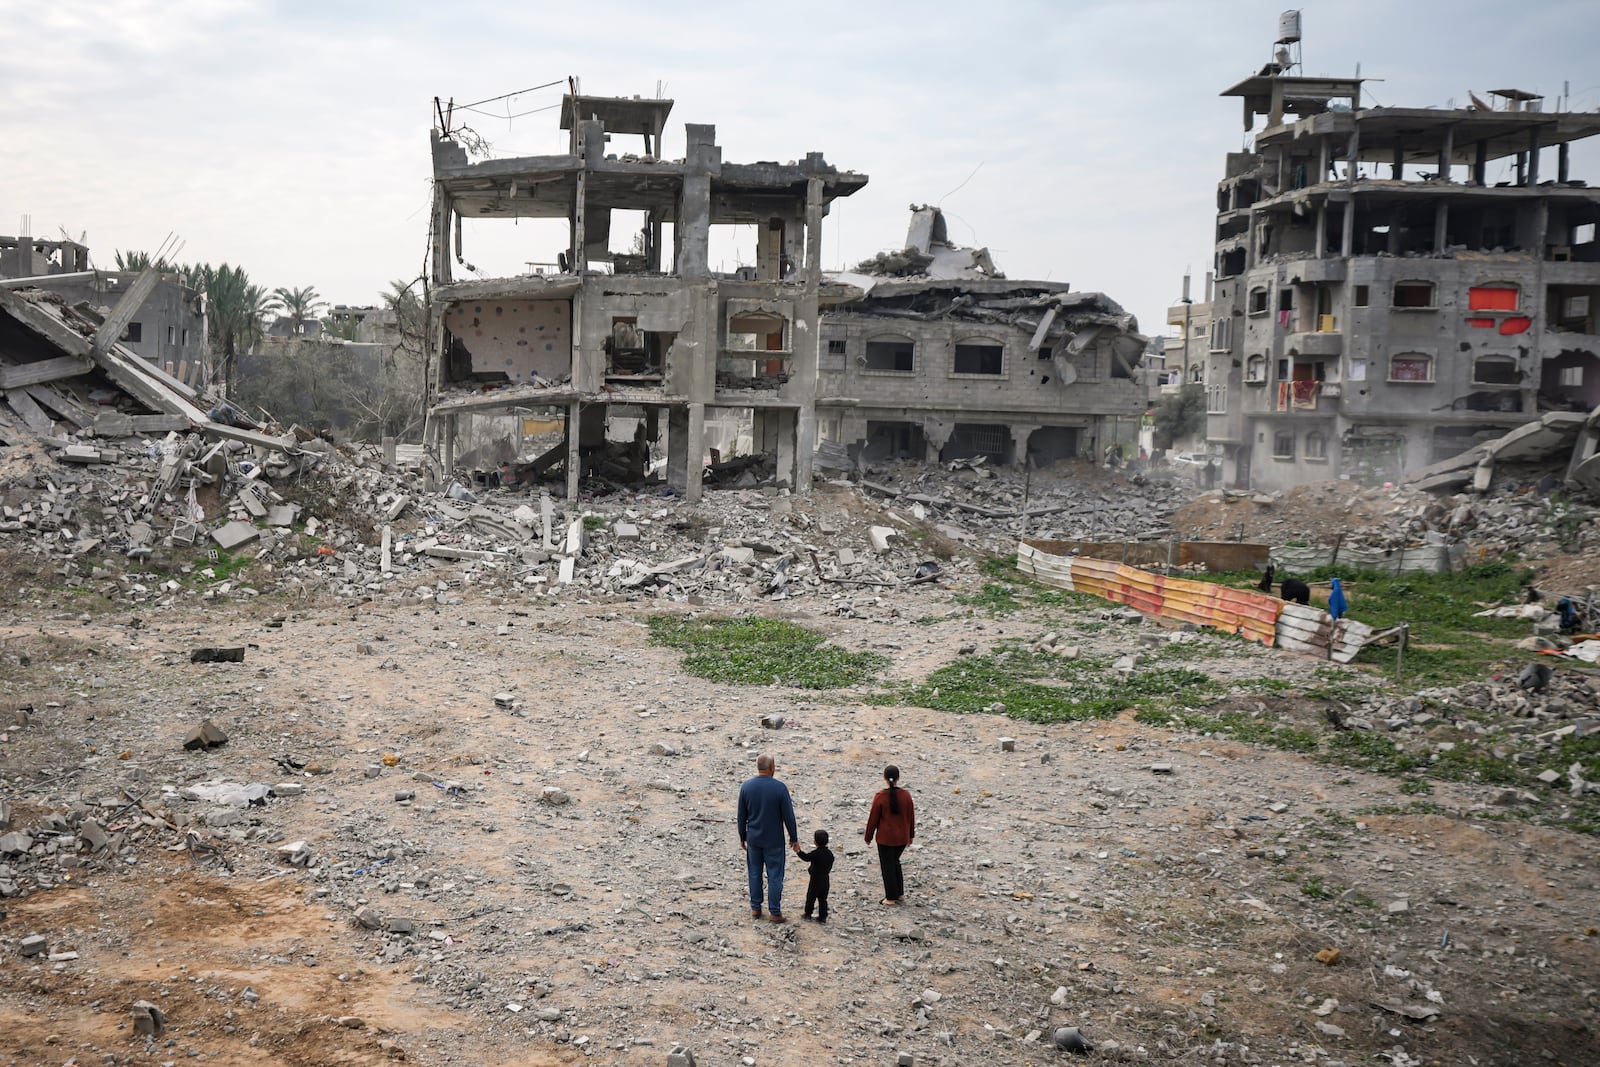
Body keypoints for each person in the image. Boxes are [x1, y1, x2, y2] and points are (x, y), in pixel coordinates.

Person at [737, 753, 799, 923]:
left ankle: (755, 908)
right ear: (772, 767)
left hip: (754, 838)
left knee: (754, 872)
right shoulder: (780, 788)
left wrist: (742, 836)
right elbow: (789, 816)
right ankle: (774, 911)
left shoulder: (746, 787)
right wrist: (794, 838)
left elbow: (741, 815)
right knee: (775, 875)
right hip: (774, 840)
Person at [864, 764, 915, 905]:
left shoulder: (880, 797)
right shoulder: (906, 795)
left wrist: (868, 836)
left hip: (885, 839)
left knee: (887, 867)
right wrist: (911, 835)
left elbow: (873, 819)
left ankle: (890, 897)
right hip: (902, 839)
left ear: (884, 778)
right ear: (898, 778)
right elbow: (911, 817)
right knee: (895, 863)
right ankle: (899, 894)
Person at [793, 829, 834, 923]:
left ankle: (808, 913)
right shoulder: (830, 854)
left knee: (811, 897)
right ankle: (822, 917)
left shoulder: (816, 853)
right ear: (827, 841)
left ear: (815, 842)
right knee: (823, 899)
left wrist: (798, 851)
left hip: (815, 879)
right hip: (825, 879)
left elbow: (806, 857)